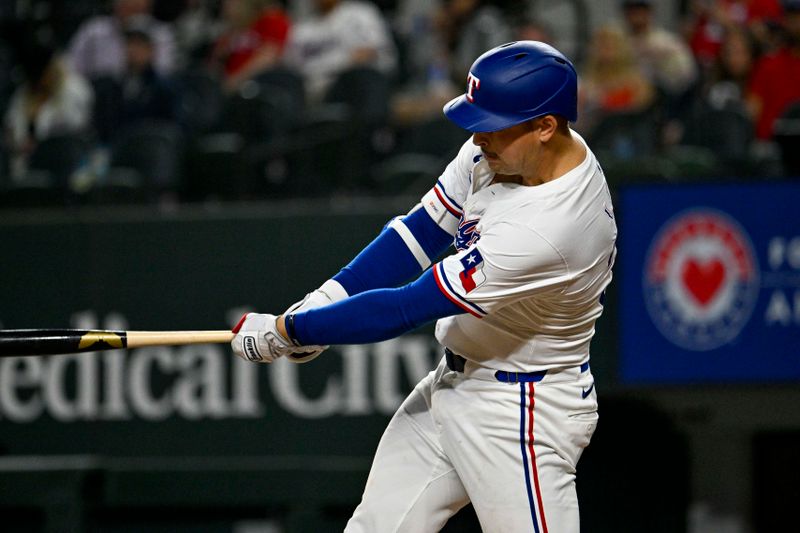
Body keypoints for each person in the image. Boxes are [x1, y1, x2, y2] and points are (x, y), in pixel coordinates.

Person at [232, 41, 617, 532]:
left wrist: (292, 330)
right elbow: (419, 233)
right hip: (452, 385)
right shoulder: (506, 148)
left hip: (522, 411)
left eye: (492, 126)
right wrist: (327, 299)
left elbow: (407, 306)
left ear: (545, 126)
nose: (479, 139)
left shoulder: (554, 228)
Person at [282, 0, 397, 102]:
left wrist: (331, 65)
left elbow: (371, 52)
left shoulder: (361, 13)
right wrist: (346, 58)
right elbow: (292, 67)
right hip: (313, 90)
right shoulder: (301, 28)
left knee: (364, 77)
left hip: (352, 85)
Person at [67, 0, 177, 80]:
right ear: (116, 7)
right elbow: (72, 67)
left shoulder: (161, 35)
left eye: (137, 9)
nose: (132, 16)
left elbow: (165, 73)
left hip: (144, 96)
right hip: (96, 93)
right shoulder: (94, 31)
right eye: (128, 8)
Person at [208, 0, 290, 93]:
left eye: (232, 2)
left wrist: (231, 83)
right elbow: (215, 62)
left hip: (254, 89)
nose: (226, 5)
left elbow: (266, 58)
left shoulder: (273, 20)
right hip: (226, 87)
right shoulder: (235, 28)